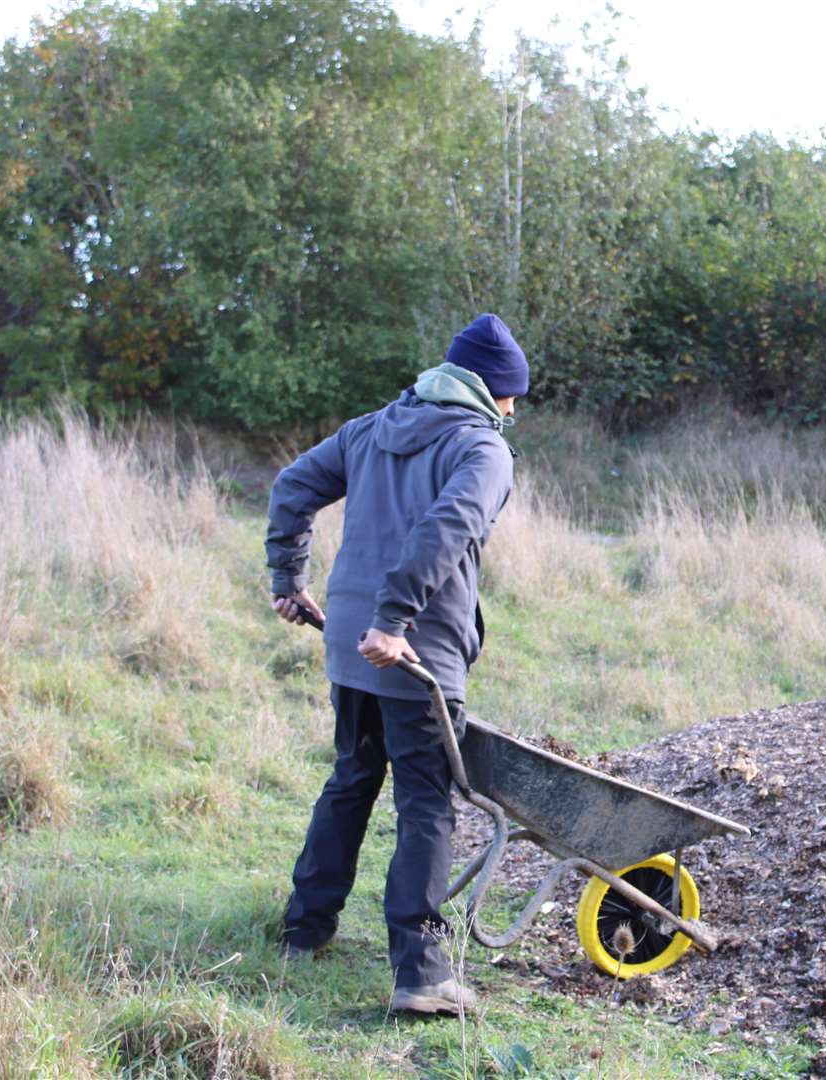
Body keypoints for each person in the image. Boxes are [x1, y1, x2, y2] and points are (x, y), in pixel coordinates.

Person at [264, 313, 527, 1015]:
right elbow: (447, 529)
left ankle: (303, 931)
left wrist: (288, 581)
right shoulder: (484, 449)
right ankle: (424, 974)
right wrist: (395, 619)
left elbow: (292, 486)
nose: (513, 410)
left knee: (352, 778)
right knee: (424, 802)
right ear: (495, 391)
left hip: (353, 642)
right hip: (412, 649)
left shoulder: (375, 425)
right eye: (512, 396)